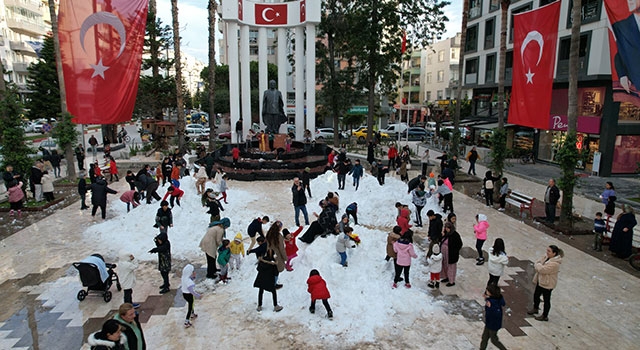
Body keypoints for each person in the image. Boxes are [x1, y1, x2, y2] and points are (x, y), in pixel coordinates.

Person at [528, 245, 564, 321]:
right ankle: (535, 308)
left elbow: (542, 269)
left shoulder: (555, 264)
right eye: (547, 250)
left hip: (548, 283)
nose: (547, 252)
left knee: (546, 299)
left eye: (549, 251)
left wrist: (538, 265)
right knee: (536, 295)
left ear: (554, 253)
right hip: (540, 280)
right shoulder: (545, 257)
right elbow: (537, 262)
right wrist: (538, 265)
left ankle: (545, 315)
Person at [612, 0, 640, 96]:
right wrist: (622, 75)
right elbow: (619, 54)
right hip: (635, 85)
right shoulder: (620, 26)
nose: (630, 1)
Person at [480, 284, 508, 350]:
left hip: (493, 325)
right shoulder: (494, 299)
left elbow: (493, 313)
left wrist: (489, 306)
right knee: (485, 337)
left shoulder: (493, 303)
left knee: (494, 339)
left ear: (491, 293)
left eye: (487, 291)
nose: (486, 291)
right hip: (489, 323)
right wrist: (487, 299)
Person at [441, 222, 463, 287]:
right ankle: (446, 277)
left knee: (451, 267)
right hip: (444, 253)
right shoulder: (446, 234)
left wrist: (454, 250)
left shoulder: (455, 235)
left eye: (448, 228)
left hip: (451, 254)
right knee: (445, 265)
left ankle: (451, 281)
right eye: (446, 228)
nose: (446, 229)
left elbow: (459, 244)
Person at [265, 221, 287, 286]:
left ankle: (271, 282)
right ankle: (273, 284)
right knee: (276, 271)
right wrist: (285, 258)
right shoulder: (278, 236)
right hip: (277, 256)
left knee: (272, 270)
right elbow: (281, 249)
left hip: (270, 254)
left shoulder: (269, 234)